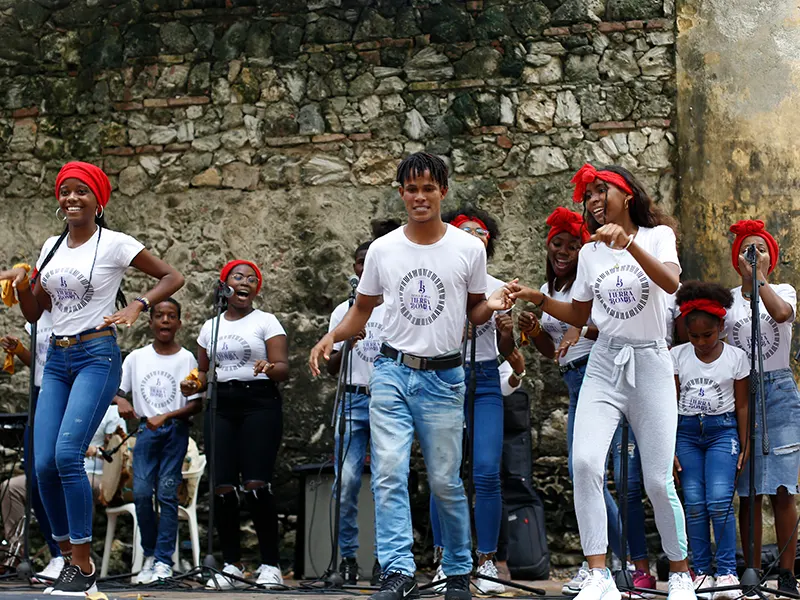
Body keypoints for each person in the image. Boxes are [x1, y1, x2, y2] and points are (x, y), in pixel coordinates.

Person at [309, 152, 511, 600]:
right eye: (412, 189)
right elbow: (363, 309)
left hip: (444, 377)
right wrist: (332, 338)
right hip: (391, 372)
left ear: (443, 190)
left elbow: (474, 307)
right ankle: (397, 572)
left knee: (444, 480)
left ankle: (458, 570)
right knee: (387, 474)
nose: (420, 197)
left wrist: (491, 308)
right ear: (401, 194)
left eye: (428, 188)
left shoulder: (468, 248)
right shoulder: (384, 250)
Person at [506, 163, 695, 600]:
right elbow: (580, 315)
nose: (591, 200)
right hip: (606, 360)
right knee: (586, 463)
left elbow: (670, 283)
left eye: (600, 190)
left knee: (656, 480)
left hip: (649, 360)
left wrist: (628, 244)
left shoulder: (656, 237)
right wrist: (541, 299)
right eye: (587, 194)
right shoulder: (590, 253)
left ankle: (681, 571)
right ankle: (598, 573)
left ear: (626, 194)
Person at [0, 161, 184, 595]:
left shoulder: (116, 244)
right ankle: (69, 559)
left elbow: (172, 276)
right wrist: (25, 283)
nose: (71, 198)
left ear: (97, 200)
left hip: (96, 355)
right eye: (65, 191)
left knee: (67, 454)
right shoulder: (51, 246)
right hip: (57, 361)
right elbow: (35, 313)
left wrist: (139, 303)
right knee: (41, 463)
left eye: (81, 191)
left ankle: (81, 566)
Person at [521, 207, 655, 595]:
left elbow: (612, 326)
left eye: (572, 245)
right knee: (585, 471)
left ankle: (617, 561)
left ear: (586, 249)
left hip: (606, 376)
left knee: (610, 474)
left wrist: (581, 327)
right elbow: (553, 352)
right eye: (557, 244)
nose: (563, 251)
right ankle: (604, 562)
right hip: (574, 380)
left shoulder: (595, 279)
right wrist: (534, 332)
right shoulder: (550, 293)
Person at [188, 260, 288, 590]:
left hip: (259, 402)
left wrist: (268, 367)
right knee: (223, 487)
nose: (244, 282)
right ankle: (231, 564)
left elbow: (283, 368)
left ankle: (270, 565)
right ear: (225, 285)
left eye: (251, 279)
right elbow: (203, 375)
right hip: (222, 405)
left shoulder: (266, 321)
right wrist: (192, 385)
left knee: (256, 484)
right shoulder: (210, 327)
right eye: (238, 277)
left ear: (256, 289)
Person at [429, 207, 513, 595]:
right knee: (444, 474)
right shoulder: (439, 282)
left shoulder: (497, 286)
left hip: (484, 380)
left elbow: (508, 350)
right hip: (444, 378)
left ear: (488, 241)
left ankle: (487, 562)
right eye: (465, 230)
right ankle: (444, 560)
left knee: (485, 472)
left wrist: (507, 330)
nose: (474, 235)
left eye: (481, 231)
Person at [724, 219, 800, 596]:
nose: (754, 254)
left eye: (762, 248)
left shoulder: (782, 288)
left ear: (774, 256)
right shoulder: (728, 301)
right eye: (747, 249)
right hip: (742, 394)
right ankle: (751, 573)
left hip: (780, 390)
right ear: (734, 258)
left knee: (783, 489)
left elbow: (782, 315)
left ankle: (786, 574)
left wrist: (759, 279)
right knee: (749, 489)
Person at [113, 298, 203, 584]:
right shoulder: (136, 358)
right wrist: (121, 401)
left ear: (179, 322)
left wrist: (166, 416)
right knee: (141, 493)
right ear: (150, 322)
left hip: (175, 431)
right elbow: (115, 392)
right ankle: (150, 555)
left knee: (166, 494)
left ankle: (163, 561)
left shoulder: (187, 358)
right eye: (159, 316)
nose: (165, 320)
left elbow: (196, 403)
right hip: (145, 433)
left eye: (171, 316)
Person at [671, 281, 749, 600]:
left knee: (719, 501)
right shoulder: (676, 357)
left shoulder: (736, 358)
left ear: (721, 327)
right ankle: (701, 573)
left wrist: (745, 446)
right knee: (693, 504)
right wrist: (670, 448)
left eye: (708, 334)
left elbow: (742, 404)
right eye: (694, 336)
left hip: (723, 433)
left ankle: (727, 572)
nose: (701, 342)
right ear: (685, 333)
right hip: (686, 435)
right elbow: (668, 405)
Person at [326, 238, 387, 586]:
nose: (365, 267)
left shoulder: (394, 306)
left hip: (385, 402)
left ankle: (385, 559)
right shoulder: (343, 310)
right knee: (347, 481)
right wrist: (346, 343)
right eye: (360, 262)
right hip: (351, 400)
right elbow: (332, 368)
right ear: (355, 268)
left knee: (385, 483)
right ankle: (347, 556)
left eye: (370, 261)